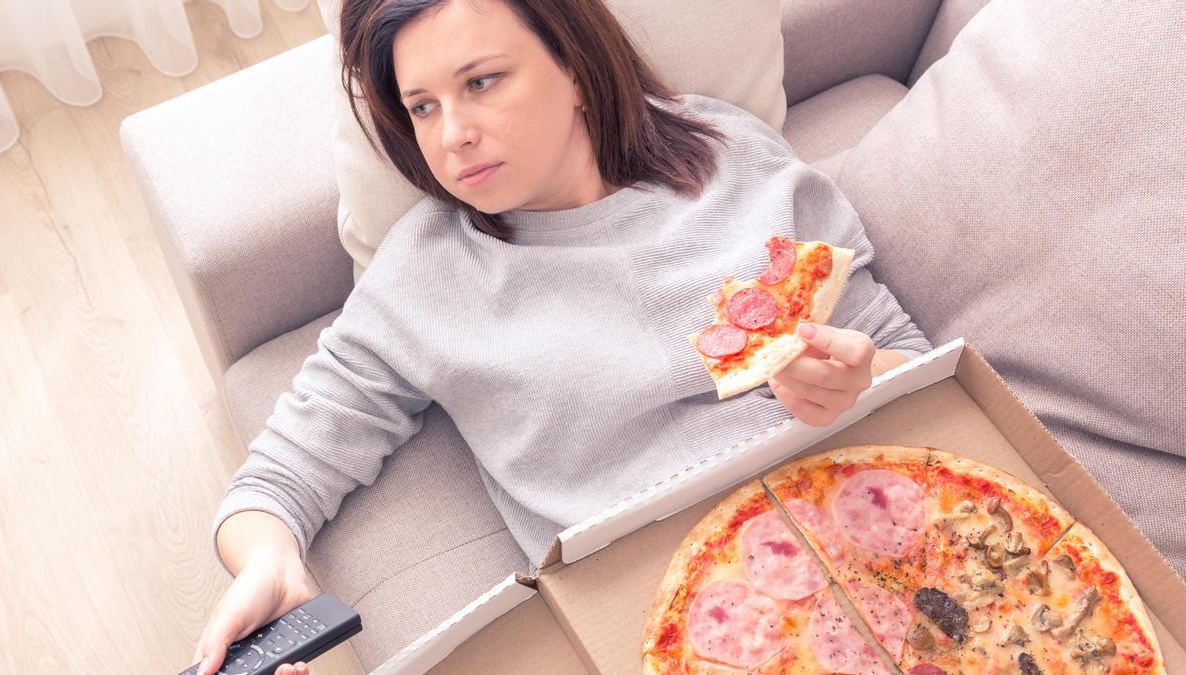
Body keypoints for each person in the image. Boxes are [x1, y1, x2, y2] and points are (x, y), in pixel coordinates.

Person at [192, 0, 933, 673]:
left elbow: (909, 360)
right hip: (673, 626)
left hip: (876, 541)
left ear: (575, 67)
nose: (453, 135)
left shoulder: (730, 150)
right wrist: (268, 562)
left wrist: (861, 379)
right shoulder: (422, 275)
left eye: (481, 82)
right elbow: (281, 472)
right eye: (423, 106)